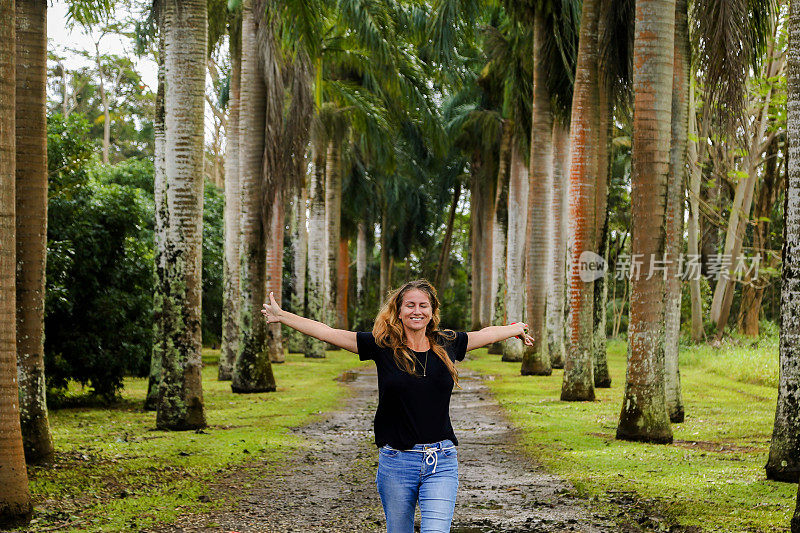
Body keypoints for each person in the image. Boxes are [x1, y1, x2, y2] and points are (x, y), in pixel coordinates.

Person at [261, 279, 533, 533]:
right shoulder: (382, 346)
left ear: (432, 311)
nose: (417, 311)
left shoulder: (447, 343)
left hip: (442, 461)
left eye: (423, 305)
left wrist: (514, 329)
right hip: (397, 462)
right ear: (399, 311)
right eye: (410, 305)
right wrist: (283, 316)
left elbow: (486, 334)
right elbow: (327, 333)